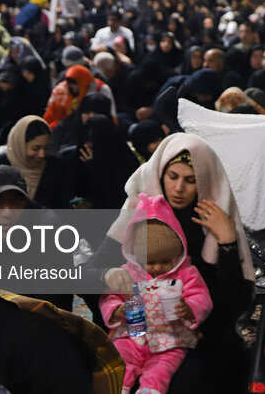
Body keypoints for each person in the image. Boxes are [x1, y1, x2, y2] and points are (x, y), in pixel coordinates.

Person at [91, 133, 255, 394]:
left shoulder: (214, 220)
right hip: (135, 332)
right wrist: (108, 276)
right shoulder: (138, 211)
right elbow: (88, 273)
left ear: (204, 182)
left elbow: (234, 303)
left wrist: (227, 244)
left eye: (190, 181)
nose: (179, 189)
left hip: (196, 335)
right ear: (159, 174)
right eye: (173, 176)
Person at [100, 194, 213, 394]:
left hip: (170, 340)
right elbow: (110, 297)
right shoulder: (128, 272)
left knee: (160, 373)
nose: (159, 267)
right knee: (119, 363)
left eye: (166, 261)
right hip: (131, 336)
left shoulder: (186, 273)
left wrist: (189, 308)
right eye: (151, 262)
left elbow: (201, 296)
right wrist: (116, 310)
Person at [0, 116, 75, 210]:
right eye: (35, 148)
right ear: (20, 144)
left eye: (46, 148)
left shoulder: (56, 167)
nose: (42, 154)